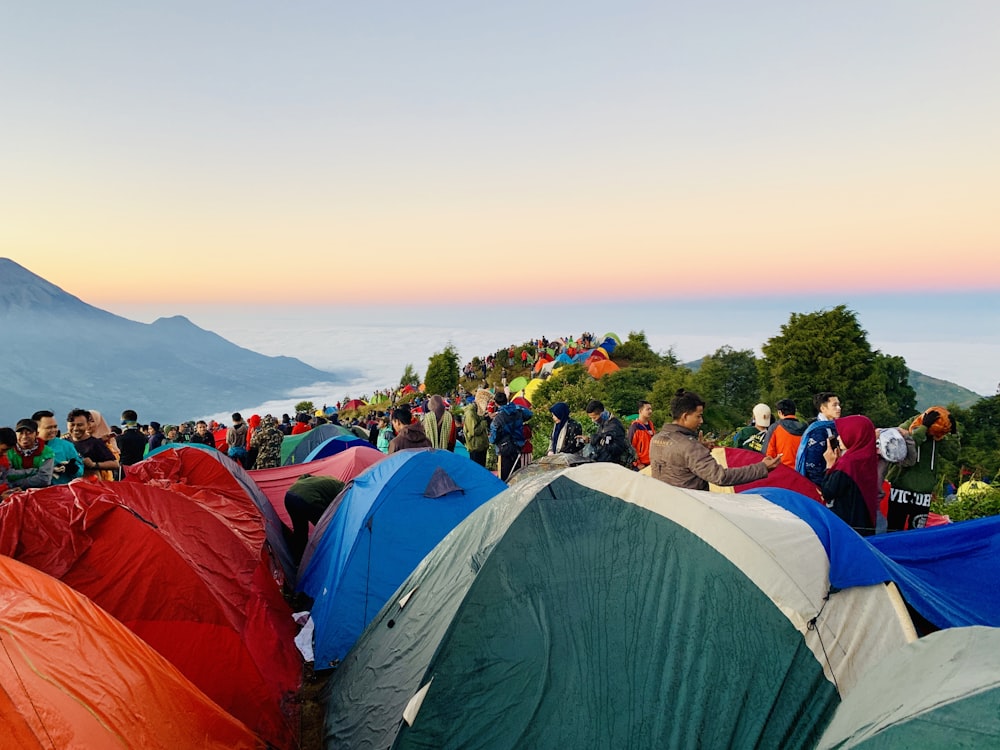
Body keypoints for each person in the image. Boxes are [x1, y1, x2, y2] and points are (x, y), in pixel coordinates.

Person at [650, 390, 781, 490]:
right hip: (690, 510)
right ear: (685, 416)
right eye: (699, 416)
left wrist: (698, 447)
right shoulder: (690, 447)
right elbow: (721, 477)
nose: (701, 421)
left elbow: (677, 463)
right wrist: (762, 467)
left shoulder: (656, 439)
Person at [885, 407, 960, 531]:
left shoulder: (938, 436)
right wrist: (924, 428)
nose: (936, 435)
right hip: (900, 488)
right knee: (894, 528)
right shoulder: (908, 426)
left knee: (917, 529)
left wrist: (953, 433)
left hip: (924, 492)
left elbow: (952, 455)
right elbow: (906, 449)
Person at [819, 415, 880, 536]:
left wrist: (829, 465)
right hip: (864, 524)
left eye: (843, 433)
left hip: (847, 526)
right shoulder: (867, 457)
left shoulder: (848, 463)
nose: (839, 438)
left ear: (855, 435)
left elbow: (828, 492)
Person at [284, 473, 346, 564]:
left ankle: (298, 561)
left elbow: (304, 476)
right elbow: (339, 508)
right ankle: (328, 558)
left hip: (290, 496)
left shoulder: (321, 479)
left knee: (300, 532)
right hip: (308, 499)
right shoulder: (343, 490)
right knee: (325, 530)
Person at [795, 392, 842, 486]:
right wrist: (823, 486)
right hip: (823, 482)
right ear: (823, 408)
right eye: (834, 405)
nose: (839, 408)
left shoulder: (834, 425)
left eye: (839, 405)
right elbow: (812, 464)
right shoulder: (818, 431)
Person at [489, 392, 532, 481]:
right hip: (519, 446)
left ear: (496, 403)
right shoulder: (518, 410)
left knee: (505, 478)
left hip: (505, 450)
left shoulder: (498, 419)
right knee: (517, 475)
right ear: (507, 400)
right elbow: (529, 414)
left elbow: (493, 439)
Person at [31, 410, 83, 484]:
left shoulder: (66, 446)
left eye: (55, 427)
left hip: (61, 491)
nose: (53, 430)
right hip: (33, 490)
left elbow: (80, 470)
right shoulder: (26, 447)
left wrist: (73, 469)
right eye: (49, 427)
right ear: (36, 429)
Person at [66, 408, 120, 479]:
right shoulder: (64, 441)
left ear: (87, 425)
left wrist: (93, 465)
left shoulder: (95, 443)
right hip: (66, 486)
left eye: (80, 425)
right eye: (72, 425)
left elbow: (115, 464)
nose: (76, 428)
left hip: (89, 485)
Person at [5, 418, 55, 490]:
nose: (24, 436)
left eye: (29, 433)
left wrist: (15, 484)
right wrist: (32, 471)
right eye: (21, 433)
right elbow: (6, 474)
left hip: (38, 492)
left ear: (37, 434)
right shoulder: (8, 450)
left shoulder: (47, 452)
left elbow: (44, 479)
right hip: (11, 492)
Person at [579, 400, 628, 465]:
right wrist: (590, 440)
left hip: (611, 464)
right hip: (602, 460)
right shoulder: (603, 424)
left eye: (594, 417)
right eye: (591, 418)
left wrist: (600, 441)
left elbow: (616, 449)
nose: (593, 420)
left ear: (602, 413)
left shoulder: (614, 427)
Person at [761, 399, 806, 470]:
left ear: (780, 412)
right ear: (795, 411)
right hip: (802, 472)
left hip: (782, 471)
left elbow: (768, 453)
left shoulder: (775, 427)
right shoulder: (805, 428)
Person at [462, 391, 490, 466]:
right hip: (475, 447)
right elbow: (473, 431)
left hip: (481, 446)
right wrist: (484, 422)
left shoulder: (477, 411)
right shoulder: (470, 413)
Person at [627, 400, 656, 469]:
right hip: (641, 465)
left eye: (651, 409)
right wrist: (637, 463)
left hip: (652, 462)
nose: (650, 411)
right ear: (640, 411)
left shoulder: (651, 424)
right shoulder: (635, 427)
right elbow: (630, 446)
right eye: (648, 409)